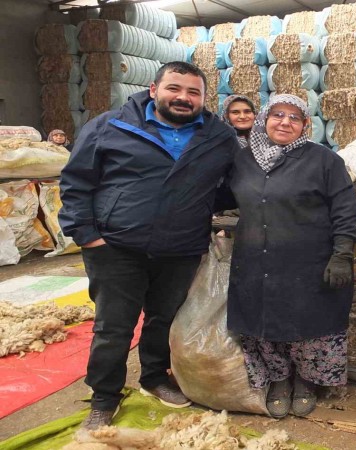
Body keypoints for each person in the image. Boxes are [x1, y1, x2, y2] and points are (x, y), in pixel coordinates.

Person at [59, 61, 238, 430]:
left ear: (205, 99)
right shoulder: (111, 126)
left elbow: (234, 185)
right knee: (114, 327)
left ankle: (154, 377)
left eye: (194, 92)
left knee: (164, 319)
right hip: (116, 246)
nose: (183, 98)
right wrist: (88, 235)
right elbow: (77, 181)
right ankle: (104, 397)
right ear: (153, 89)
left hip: (181, 247)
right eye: (174, 88)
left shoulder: (218, 137)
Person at [217, 94, 356, 419]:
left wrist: (342, 254)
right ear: (264, 119)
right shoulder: (243, 161)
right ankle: (279, 380)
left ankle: (306, 382)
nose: (285, 122)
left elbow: (346, 210)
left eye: (294, 117)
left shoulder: (324, 161)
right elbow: (222, 196)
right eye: (277, 114)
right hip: (256, 260)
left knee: (309, 323)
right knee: (262, 322)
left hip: (308, 261)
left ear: (305, 125)